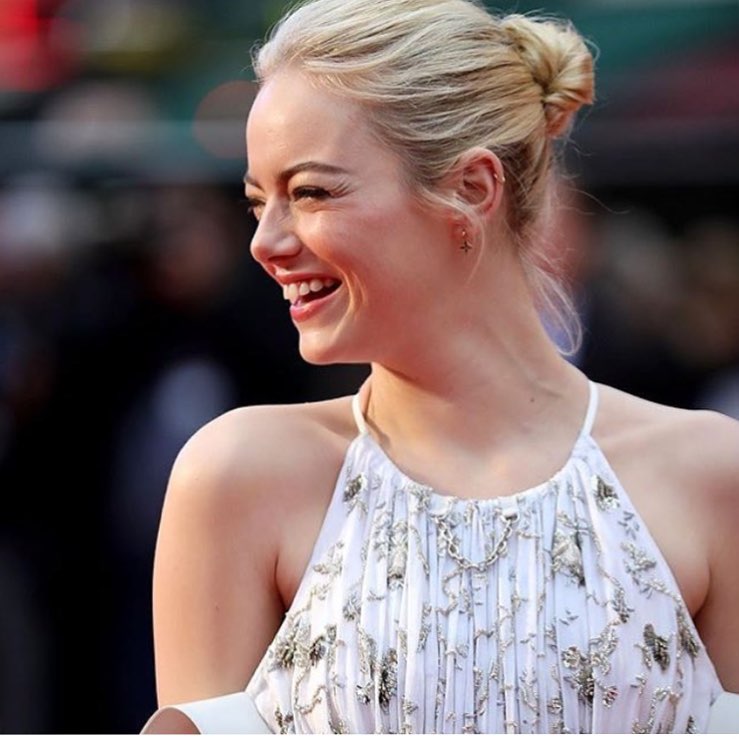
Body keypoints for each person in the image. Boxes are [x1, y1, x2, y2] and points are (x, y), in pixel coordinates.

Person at [142, 0, 739, 732]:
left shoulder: (712, 475)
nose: (265, 243)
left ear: (471, 189)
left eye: (311, 192)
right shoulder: (239, 475)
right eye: (258, 203)